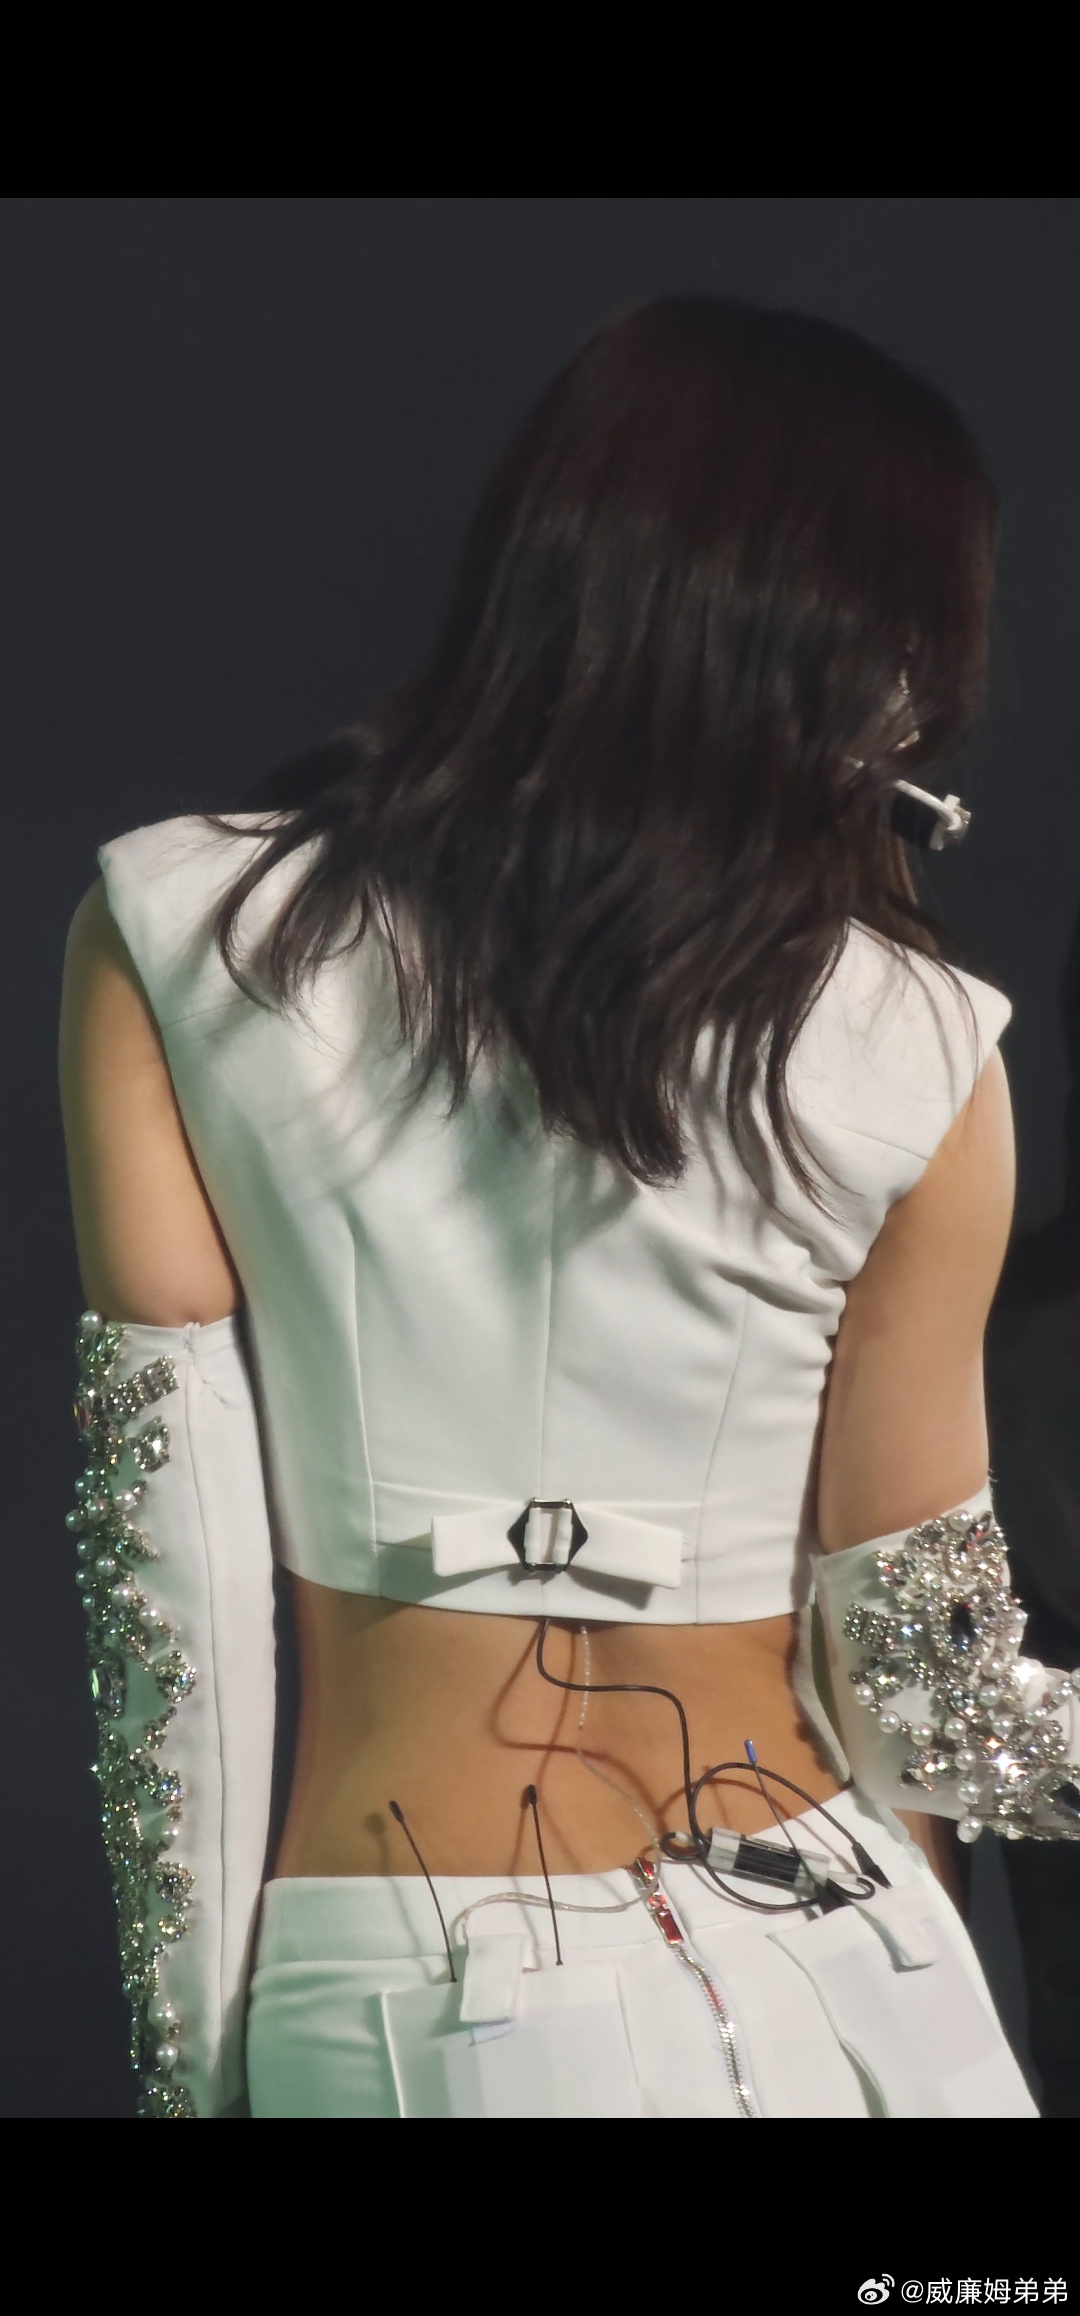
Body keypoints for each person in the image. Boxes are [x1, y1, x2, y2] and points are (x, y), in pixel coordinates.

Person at [59, 296, 1075, 2121]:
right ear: (864, 652)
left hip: (427, 1987)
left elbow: (173, 1601)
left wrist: (198, 2075)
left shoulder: (183, 933)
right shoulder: (922, 1041)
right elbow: (932, 1706)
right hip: (860, 1965)